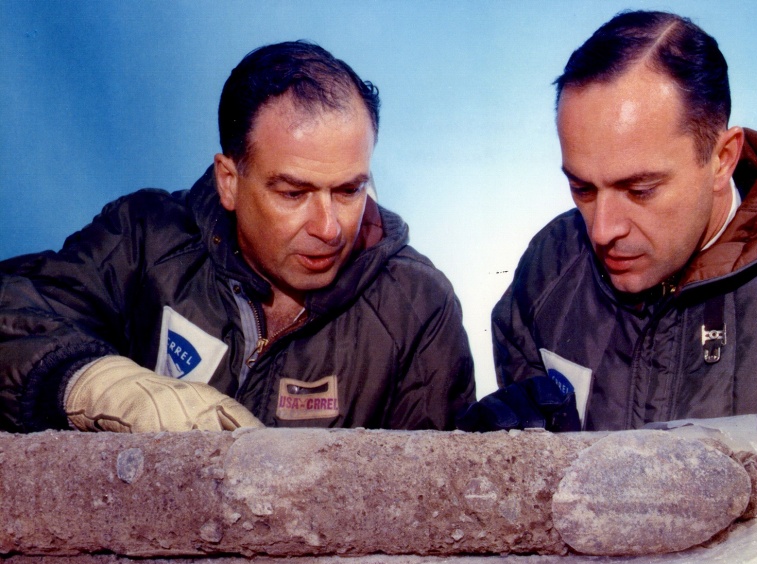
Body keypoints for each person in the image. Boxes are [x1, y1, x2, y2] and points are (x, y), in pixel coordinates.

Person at [475, 10, 757, 435]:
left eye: (640, 190)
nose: (602, 230)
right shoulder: (548, 267)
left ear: (722, 159)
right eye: (583, 189)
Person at [0, 41, 475, 433]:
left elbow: (426, 510)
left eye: (350, 190)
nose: (329, 228)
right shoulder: (143, 239)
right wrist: (93, 384)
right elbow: (14, 308)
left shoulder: (418, 307)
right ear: (229, 180)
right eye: (293, 192)